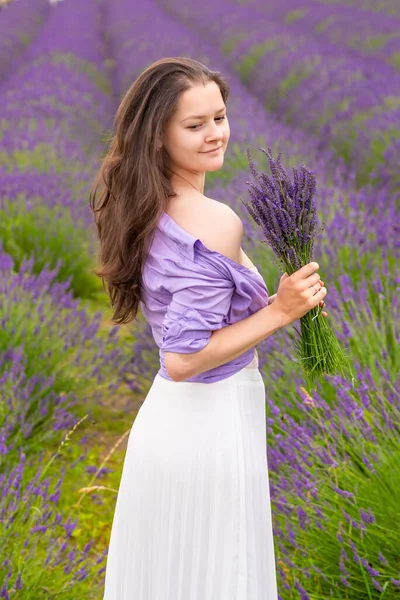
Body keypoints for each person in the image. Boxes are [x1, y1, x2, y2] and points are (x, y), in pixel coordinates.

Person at [89, 56, 327, 600]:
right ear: (158, 135)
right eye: (194, 125)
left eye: (219, 117)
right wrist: (280, 312)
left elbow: (194, 317)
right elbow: (183, 357)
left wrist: (279, 301)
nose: (215, 134)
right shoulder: (214, 220)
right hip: (206, 427)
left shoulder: (149, 206)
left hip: (172, 427)